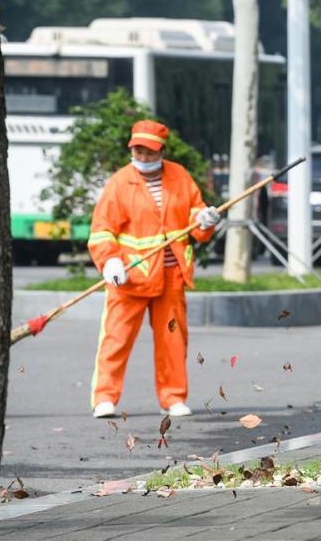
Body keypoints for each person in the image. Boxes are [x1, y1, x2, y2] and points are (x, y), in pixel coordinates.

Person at [86, 120, 221, 418]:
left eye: (149, 151)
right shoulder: (120, 182)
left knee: (173, 341)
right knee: (116, 339)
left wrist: (206, 219)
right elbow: (101, 231)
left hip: (172, 277)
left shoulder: (179, 177)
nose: (143, 156)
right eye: (138, 150)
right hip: (130, 277)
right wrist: (109, 260)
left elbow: (194, 217)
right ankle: (104, 397)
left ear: (161, 150)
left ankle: (173, 398)